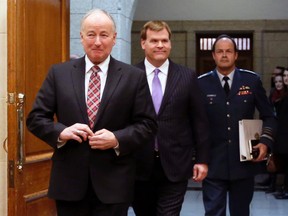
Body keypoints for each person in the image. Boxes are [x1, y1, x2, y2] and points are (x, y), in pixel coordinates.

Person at [26, 9, 157, 216]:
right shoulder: (59, 74)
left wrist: (116, 139)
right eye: (91, 34)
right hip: (69, 183)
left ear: (114, 38)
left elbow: (147, 124)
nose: (97, 41)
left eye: (104, 35)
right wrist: (61, 132)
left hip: (114, 184)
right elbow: (35, 118)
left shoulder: (134, 77)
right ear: (81, 37)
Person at [132, 20, 211, 216]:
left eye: (165, 40)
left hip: (176, 163)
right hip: (139, 165)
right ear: (143, 43)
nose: (160, 45)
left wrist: (202, 159)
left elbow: (199, 121)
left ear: (170, 43)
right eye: (154, 40)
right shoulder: (130, 76)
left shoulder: (187, 76)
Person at [198, 34, 277, 216]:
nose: (224, 55)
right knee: (213, 213)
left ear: (236, 55)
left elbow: (269, 116)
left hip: (243, 163)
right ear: (213, 55)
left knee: (241, 212)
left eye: (228, 51)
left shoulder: (251, 81)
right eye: (220, 51)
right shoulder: (201, 83)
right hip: (213, 162)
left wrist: (265, 142)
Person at [273, 68, 288, 199]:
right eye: (285, 76)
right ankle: (282, 188)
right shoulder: (283, 95)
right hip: (282, 132)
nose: (285, 78)